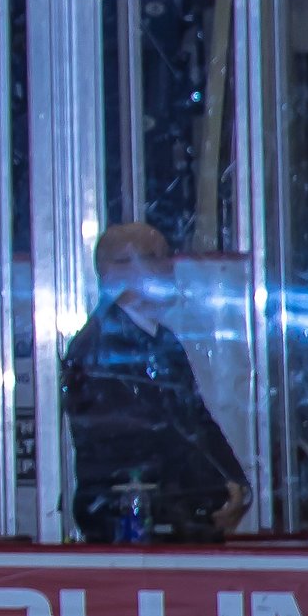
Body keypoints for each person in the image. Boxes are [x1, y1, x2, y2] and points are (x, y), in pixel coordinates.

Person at [62, 220, 252, 541]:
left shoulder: (162, 340)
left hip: (175, 512)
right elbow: (144, 435)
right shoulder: (99, 347)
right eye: (155, 256)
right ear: (115, 271)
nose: (169, 267)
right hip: (131, 519)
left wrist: (234, 484)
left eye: (166, 255)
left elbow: (195, 418)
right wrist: (218, 486)